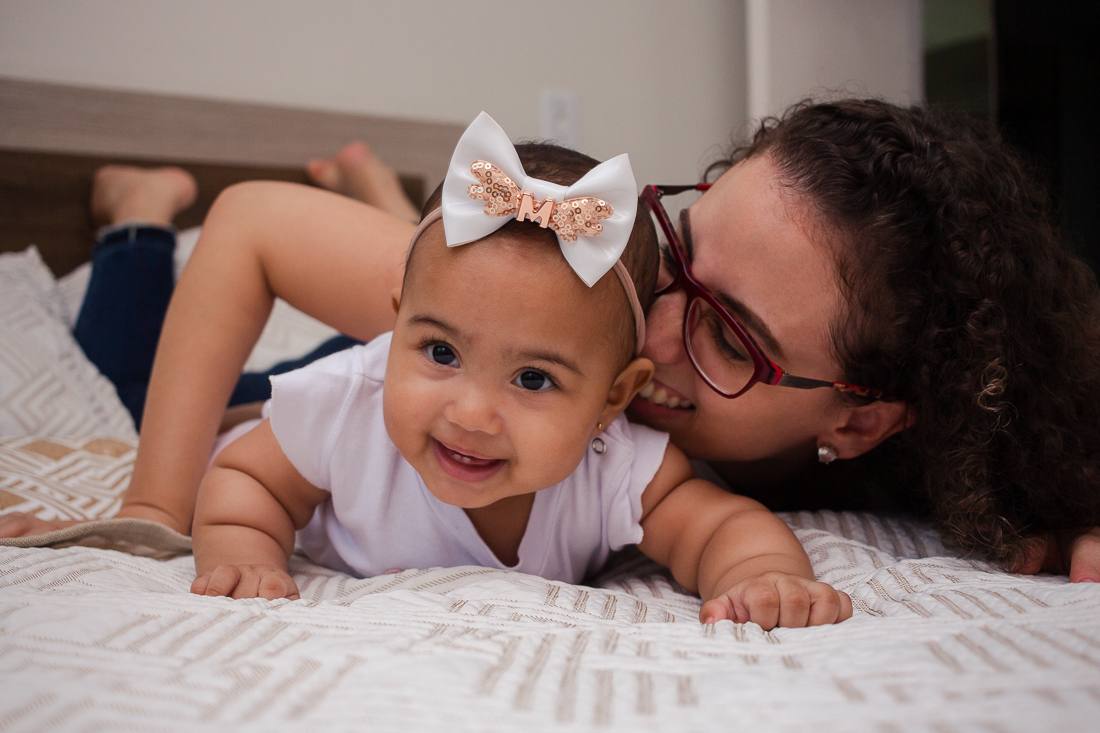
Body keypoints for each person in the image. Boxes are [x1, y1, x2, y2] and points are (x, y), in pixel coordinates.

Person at [3, 100, 1098, 583]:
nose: (657, 321)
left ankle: (375, 188)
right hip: (347, 396)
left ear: (858, 419)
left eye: (725, 333)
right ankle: (139, 214)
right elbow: (247, 226)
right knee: (140, 381)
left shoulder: (939, 439)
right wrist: (152, 509)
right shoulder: (546, 288)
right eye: (681, 242)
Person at [190, 114, 852, 629]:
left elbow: (718, 525)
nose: (471, 413)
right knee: (140, 388)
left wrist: (761, 573)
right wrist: (244, 550)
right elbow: (247, 476)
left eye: (534, 379)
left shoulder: (610, 463)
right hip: (278, 399)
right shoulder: (346, 409)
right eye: (441, 352)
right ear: (397, 329)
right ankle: (137, 223)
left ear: (612, 399)